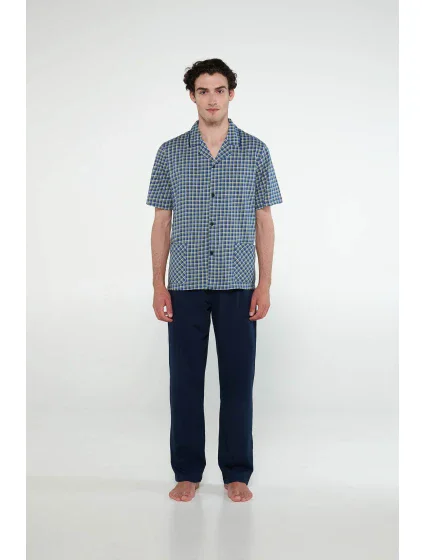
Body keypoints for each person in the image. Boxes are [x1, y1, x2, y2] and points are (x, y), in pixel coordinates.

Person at [146, 58, 282, 502]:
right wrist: (158, 283)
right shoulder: (170, 152)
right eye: (203, 91)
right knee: (184, 383)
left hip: (238, 282)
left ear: (231, 94)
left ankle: (236, 473)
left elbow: (264, 220)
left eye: (219, 90)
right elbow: (161, 222)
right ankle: (187, 472)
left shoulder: (255, 151)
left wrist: (264, 283)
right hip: (184, 283)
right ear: (192, 96)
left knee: (238, 382)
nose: (211, 99)